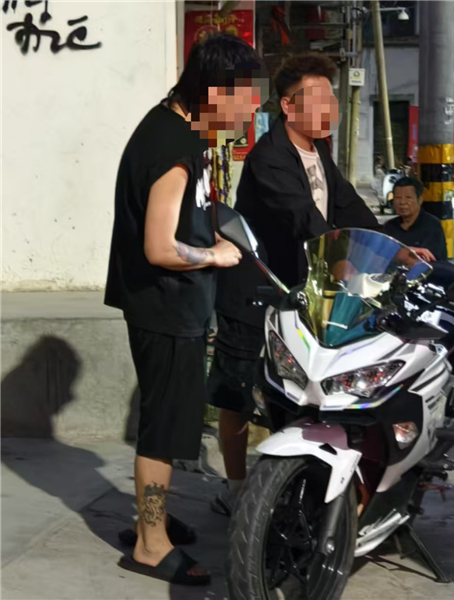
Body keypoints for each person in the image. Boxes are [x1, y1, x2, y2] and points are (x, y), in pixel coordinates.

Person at [105, 34, 263, 585]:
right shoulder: (173, 151)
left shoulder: (174, 130)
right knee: (165, 428)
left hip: (168, 304)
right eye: (244, 100)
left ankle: (152, 521)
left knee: (165, 421)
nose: (248, 112)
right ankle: (151, 544)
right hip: (166, 307)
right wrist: (214, 255)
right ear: (215, 92)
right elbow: (159, 247)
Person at [210, 53, 378, 515]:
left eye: (331, 97)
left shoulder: (319, 151)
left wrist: (396, 248)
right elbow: (303, 218)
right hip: (254, 293)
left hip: (297, 294)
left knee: (299, 390)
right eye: (318, 97)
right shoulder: (269, 157)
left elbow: (347, 207)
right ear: (288, 106)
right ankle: (236, 488)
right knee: (237, 391)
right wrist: (343, 262)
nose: (330, 107)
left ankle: (292, 483)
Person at [382, 176, 447, 263]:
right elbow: (381, 255)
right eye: (398, 198)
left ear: (420, 200)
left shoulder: (432, 226)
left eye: (408, 197)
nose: (402, 202)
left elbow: (431, 261)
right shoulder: (389, 226)